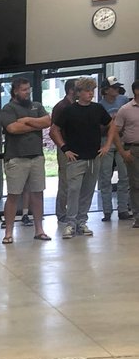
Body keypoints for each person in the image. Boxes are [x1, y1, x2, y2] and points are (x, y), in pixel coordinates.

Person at [49, 77, 121, 239]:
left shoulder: (97, 108)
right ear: (78, 93)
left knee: (88, 191)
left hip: (94, 156)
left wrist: (107, 145)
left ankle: (82, 221)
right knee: (73, 190)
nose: (91, 94)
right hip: (75, 157)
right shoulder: (69, 110)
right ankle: (70, 222)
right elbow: (54, 130)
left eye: (92, 91)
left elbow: (112, 125)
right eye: (88, 91)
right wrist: (64, 148)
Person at [0, 77, 51, 244]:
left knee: (38, 193)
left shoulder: (37, 105)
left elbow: (47, 121)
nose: (27, 92)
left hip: (37, 156)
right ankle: (8, 232)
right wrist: (36, 124)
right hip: (16, 158)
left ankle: (39, 230)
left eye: (29, 89)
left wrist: (27, 120)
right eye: (24, 89)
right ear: (15, 91)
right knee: (13, 195)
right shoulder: (8, 108)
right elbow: (13, 128)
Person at [97, 76, 131, 220]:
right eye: (114, 87)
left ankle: (123, 209)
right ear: (106, 90)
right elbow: (98, 127)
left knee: (125, 176)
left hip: (122, 139)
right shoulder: (100, 106)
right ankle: (107, 210)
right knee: (105, 176)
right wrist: (111, 122)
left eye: (118, 87)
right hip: (106, 141)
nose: (117, 89)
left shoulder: (124, 100)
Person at [113, 79, 139, 228]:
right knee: (135, 184)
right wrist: (122, 151)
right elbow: (115, 132)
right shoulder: (125, 109)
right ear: (136, 91)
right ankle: (138, 216)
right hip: (133, 148)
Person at [50, 79, 77, 223]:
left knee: (74, 182)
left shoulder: (77, 106)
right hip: (65, 148)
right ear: (71, 90)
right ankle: (61, 213)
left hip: (76, 147)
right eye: (79, 88)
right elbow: (54, 131)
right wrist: (63, 147)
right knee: (65, 182)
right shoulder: (61, 107)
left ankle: (72, 212)